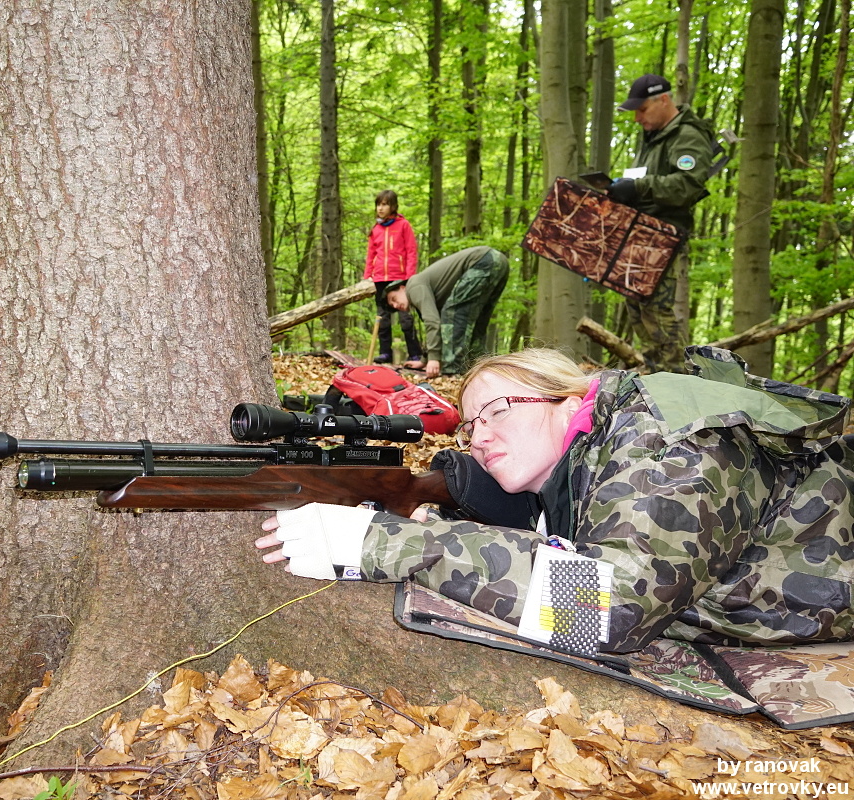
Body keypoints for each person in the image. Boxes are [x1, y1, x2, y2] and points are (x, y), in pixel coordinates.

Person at [255, 345, 854, 655]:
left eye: (495, 411)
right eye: (469, 427)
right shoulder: (589, 458)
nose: (479, 436)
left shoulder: (667, 440)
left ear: (568, 400)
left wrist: (388, 543)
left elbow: (611, 610)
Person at [609, 73, 715, 373]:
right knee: (637, 306)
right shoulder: (654, 137)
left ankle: (678, 379)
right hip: (642, 230)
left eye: (642, 110)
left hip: (664, 233)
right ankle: (657, 375)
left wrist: (638, 187)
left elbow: (688, 185)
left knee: (655, 307)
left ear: (663, 100)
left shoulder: (687, 135)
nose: (637, 118)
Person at [384, 246, 509, 378]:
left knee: (452, 313)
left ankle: (453, 372)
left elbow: (433, 322)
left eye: (394, 299)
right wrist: (424, 360)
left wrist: (434, 359)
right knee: (477, 323)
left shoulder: (413, 286)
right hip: (499, 261)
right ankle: (481, 369)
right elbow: (437, 324)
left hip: (481, 261)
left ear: (402, 288)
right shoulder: (425, 290)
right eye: (393, 306)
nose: (396, 305)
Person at [363, 190, 423, 365]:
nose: (380, 208)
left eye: (384, 204)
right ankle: (385, 353)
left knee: (406, 318)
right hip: (380, 279)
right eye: (378, 204)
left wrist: (409, 277)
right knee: (382, 318)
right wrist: (367, 276)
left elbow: (411, 251)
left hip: (400, 278)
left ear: (393, 206)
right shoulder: (375, 229)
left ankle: (415, 354)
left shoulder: (403, 225)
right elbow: (371, 255)